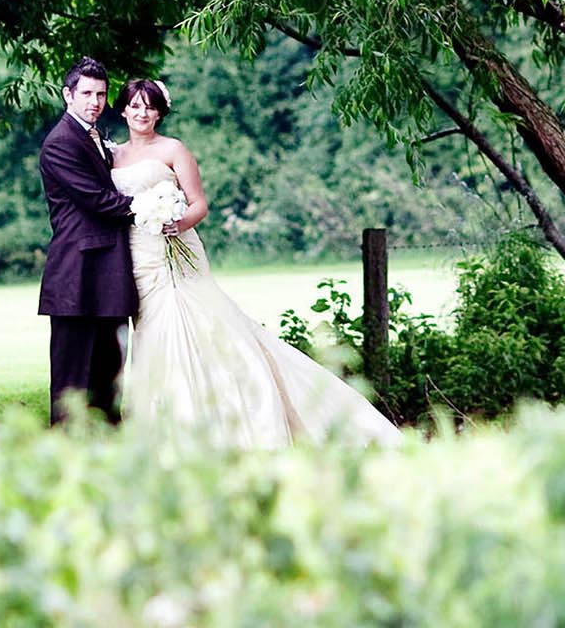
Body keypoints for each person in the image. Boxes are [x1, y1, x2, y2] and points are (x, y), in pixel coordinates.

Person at [111, 77, 401, 448]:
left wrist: (175, 221)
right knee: (150, 334)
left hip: (176, 254)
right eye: (135, 105)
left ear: (160, 112)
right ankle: (163, 425)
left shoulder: (174, 150)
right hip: (138, 257)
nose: (142, 112)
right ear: (123, 110)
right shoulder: (113, 155)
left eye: (149, 106)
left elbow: (199, 204)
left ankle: (227, 413)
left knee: (199, 326)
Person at [37, 57, 138, 425]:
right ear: (68, 95)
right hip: (76, 276)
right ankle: (64, 458)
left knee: (109, 372)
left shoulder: (94, 137)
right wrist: (150, 206)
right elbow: (96, 199)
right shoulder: (60, 142)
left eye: (100, 94)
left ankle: (109, 452)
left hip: (108, 274)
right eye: (86, 94)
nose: (95, 101)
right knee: (71, 378)